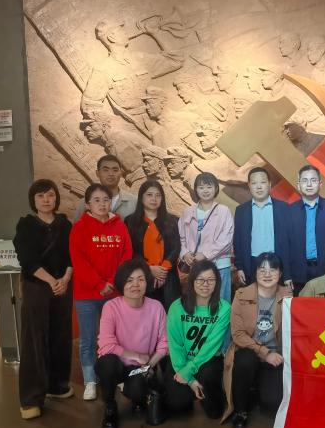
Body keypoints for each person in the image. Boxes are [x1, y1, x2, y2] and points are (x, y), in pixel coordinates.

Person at [13, 179, 73, 420]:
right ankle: (31, 398)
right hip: (37, 286)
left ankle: (57, 385)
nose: (46, 200)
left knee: (61, 335)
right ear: (33, 200)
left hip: (62, 286)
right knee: (34, 340)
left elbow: (71, 255)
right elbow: (26, 259)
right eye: (40, 196)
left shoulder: (65, 224)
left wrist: (65, 279)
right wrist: (51, 280)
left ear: (56, 197)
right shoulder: (26, 225)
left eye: (50, 195)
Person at [69, 183, 132, 401]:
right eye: (96, 200)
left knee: (115, 336)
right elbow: (79, 261)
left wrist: (113, 282)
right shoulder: (79, 228)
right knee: (88, 339)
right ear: (88, 204)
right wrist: (98, 284)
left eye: (106, 200)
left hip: (114, 293)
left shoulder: (119, 226)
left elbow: (126, 255)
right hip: (86, 294)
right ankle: (90, 380)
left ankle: (117, 375)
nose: (102, 204)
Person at [95, 259, 168, 428]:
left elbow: (164, 343)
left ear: (147, 282)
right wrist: (136, 355)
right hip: (118, 364)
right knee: (106, 363)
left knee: (137, 390)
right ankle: (110, 406)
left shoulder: (156, 307)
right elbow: (106, 345)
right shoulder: (111, 307)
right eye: (129, 280)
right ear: (121, 283)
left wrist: (149, 365)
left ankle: (137, 396)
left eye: (140, 279)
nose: (135, 285)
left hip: (141, 367)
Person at [224, 252, 292, 428]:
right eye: (262, 270)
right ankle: (240, 411)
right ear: (255, 273)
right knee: (246, 359)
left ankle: (256, 391)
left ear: (280, 273)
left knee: (272, 403)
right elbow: (238, 334)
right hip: (250, 352)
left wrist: (273, 355)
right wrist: (265, 353)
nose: (267, 274)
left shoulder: (288, 296)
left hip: (276, 357)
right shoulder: (241, 295)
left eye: (273, 270)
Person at [164, 260, 230, 419]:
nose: (205, 284)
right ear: (192, 281)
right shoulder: (177, 307)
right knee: (178, 406)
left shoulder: (224, 308)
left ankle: (213, 393)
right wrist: (190, 380)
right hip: (181, 360)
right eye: (200, 280)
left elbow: (211, 346)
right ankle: (188, 392)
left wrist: (189, 371)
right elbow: (175, 345)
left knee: (215, 413)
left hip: (208, 360)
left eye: (211, 280)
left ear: (217, 283)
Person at [286, 164, 325, 292]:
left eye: (313, 180)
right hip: (297, 273)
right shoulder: (290, 212)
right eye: (304, 180)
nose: (309, 184)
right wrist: (286, 274)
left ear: (320, 184)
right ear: (298, 185)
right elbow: (284, 245)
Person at [177, 172, 234, 302]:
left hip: (220, 266)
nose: (205, 190)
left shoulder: (224, 211)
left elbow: (226, 240)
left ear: (216, 188)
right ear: (196, 190)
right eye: (201, 187)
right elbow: (181, 238)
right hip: (196, 267)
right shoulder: (188, 212)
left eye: (209, 187)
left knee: (220, 303)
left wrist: (206, 254)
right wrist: (185, 253)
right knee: (199, 303)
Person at [124, 180, 181, 309]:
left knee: (170, 313)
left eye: (158, 195)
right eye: (149, 195)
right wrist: (148, 268)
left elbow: (176, 247)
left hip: (168, 276)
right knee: (145, 313)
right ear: (141, 197)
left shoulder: (173, 221)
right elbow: (131, 250)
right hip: (142, 275)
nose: (154, 199)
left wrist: (163, 270)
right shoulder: (131, 221)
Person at [233, 167, 292, 287]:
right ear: (249, 186)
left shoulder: (284, 208)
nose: (259, 187)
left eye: (263, 182)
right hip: (251, 263)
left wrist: (288, 273)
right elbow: (237, 241)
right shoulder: (241, 211)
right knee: (253, 297)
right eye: (254, 183)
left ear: (269, 184)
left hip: (276, 262)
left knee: (277, 297)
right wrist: (239, 267)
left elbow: (291, 242)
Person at [74, 155, 137, 220]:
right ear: (97, 173)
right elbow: (77, 225)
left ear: (120, 173)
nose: (111, 174)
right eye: (105, 170)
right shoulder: (85, 202)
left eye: (115, 170)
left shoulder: (134, 202)